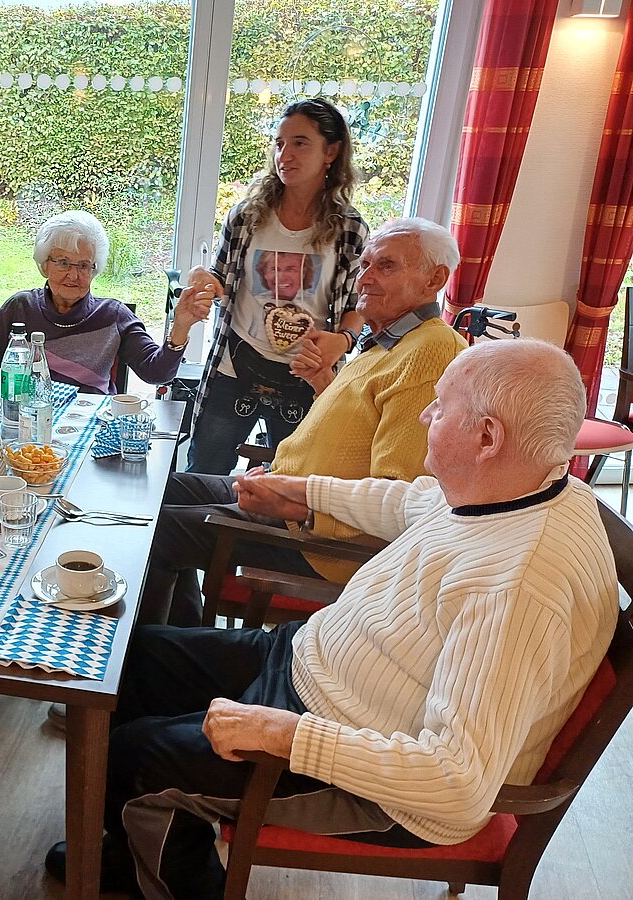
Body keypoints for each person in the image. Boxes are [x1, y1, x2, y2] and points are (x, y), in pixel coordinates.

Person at [45, 340, 619, 900]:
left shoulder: (520, 584)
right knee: (131, 660)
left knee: (136, 761)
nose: (424, 414)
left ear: (487, 437)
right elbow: (405, 502)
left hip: (371, 776)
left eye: (440, 407)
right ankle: (143, 843)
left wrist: (288, 735)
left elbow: (457, 784)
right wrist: (299, 493)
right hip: (311, 664)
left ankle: (167, 856)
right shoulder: (516, 485)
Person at [142, 217, 466, 627]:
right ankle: (179, 637)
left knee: (156, 532)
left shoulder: (431, 350)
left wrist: (298, 501)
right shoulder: (388, 342)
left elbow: (398, 496)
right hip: (289, 491)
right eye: (365, 265)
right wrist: (323, 385)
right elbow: (351, 433)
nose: (364, 279)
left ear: (434, 279)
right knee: (158, 491)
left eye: (386, 266)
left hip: (318, 539)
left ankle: (143, 665)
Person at [186, 98, 369, 475]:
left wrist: (344, 340)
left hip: (308, 374)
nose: (285, 154)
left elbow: (358, 303)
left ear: (331, 152)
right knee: (204, 470)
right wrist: (201, 280)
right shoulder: (247, 216)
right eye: (280, 143)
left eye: (300, 142)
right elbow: (220, 277)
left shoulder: (350, 228)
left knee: (294, 482)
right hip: (236, 363)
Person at [0, 210, 213, 393]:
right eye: (63, 262)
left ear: (94, 270)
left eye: (84, 265)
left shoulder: (114, 315)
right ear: (45, 265)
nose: (73, 275)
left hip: (92, 431)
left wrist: (180, 327)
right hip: (28, 427)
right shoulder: (20, 308)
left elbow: (156, 373)